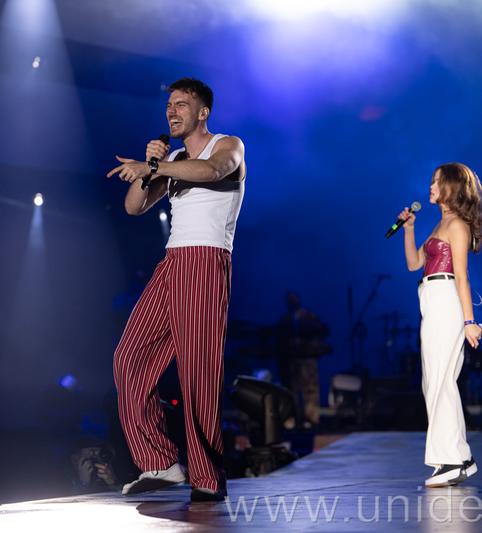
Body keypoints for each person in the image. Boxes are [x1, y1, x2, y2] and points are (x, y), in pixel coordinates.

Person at [107, 77, 246, 502]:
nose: (172, 111)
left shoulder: (227, 145)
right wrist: (154, 164)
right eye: (169, 105)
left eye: (181, 104)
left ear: (203, 112)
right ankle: (160, 461)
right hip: (171, 263)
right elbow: (133, 206)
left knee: (197, 374)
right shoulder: (172, 159)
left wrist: (156, 167)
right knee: (128, 359)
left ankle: (207, 476)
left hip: (206, 260)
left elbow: (213, 171)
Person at [397, 162, 482, 488]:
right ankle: (461, 457)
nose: (430, 187)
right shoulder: (442, 223)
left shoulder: (457, 225)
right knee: (435, 381)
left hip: (445, 298)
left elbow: (461, 275)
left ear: (451, 187)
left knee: (440, 381)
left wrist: (469, 321)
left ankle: (451, 460)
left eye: (436, 182)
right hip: (431, 298)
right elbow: (414, 264)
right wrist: (409, 229)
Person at [277, 293, 324, 428]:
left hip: (307, 359)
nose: (291, 302)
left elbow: (319, 335)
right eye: (289, 300)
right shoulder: (285, 320)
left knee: (310, 388)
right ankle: (292, 418)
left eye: (293, 299)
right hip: (291, 360)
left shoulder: (310, 317)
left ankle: (311, 419)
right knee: (290, 389)